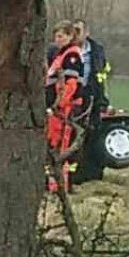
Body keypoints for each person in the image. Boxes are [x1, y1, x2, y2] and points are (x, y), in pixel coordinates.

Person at [45, 20, 85, 192]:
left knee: (61, 144)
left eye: (61, 36)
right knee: (53, 143)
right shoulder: (61, 54)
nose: (57, 39)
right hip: (57, 108)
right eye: (56, 36)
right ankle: (52, 182)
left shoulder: (72, 56)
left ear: (70, 36)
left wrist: (59, 104)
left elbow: (70, 84)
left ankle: (59, 184)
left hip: (65, 108)